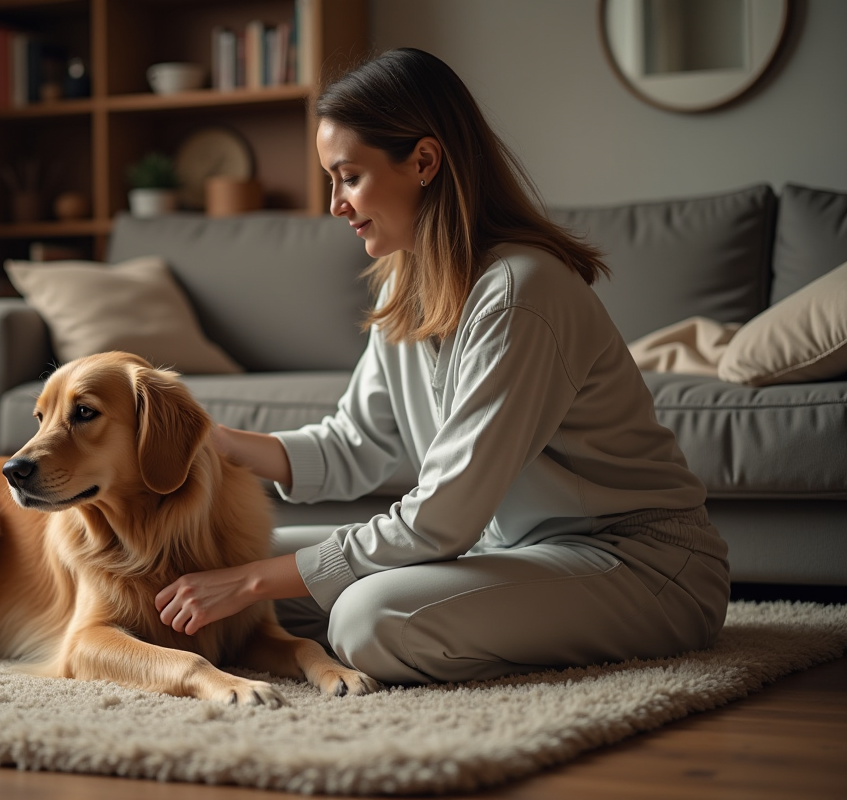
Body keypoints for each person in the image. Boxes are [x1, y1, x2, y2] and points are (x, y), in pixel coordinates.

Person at [154, 48, 730, 685]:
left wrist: (251, 583)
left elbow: (440, 519)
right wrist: (219, 445)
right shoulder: (403, 282)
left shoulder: (521, 292)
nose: (335, 204)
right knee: (202, 568)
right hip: (502, 552)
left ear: (424, 161)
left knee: (365, 620)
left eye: (348, 176)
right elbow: (356, 444)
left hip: (638, 564)